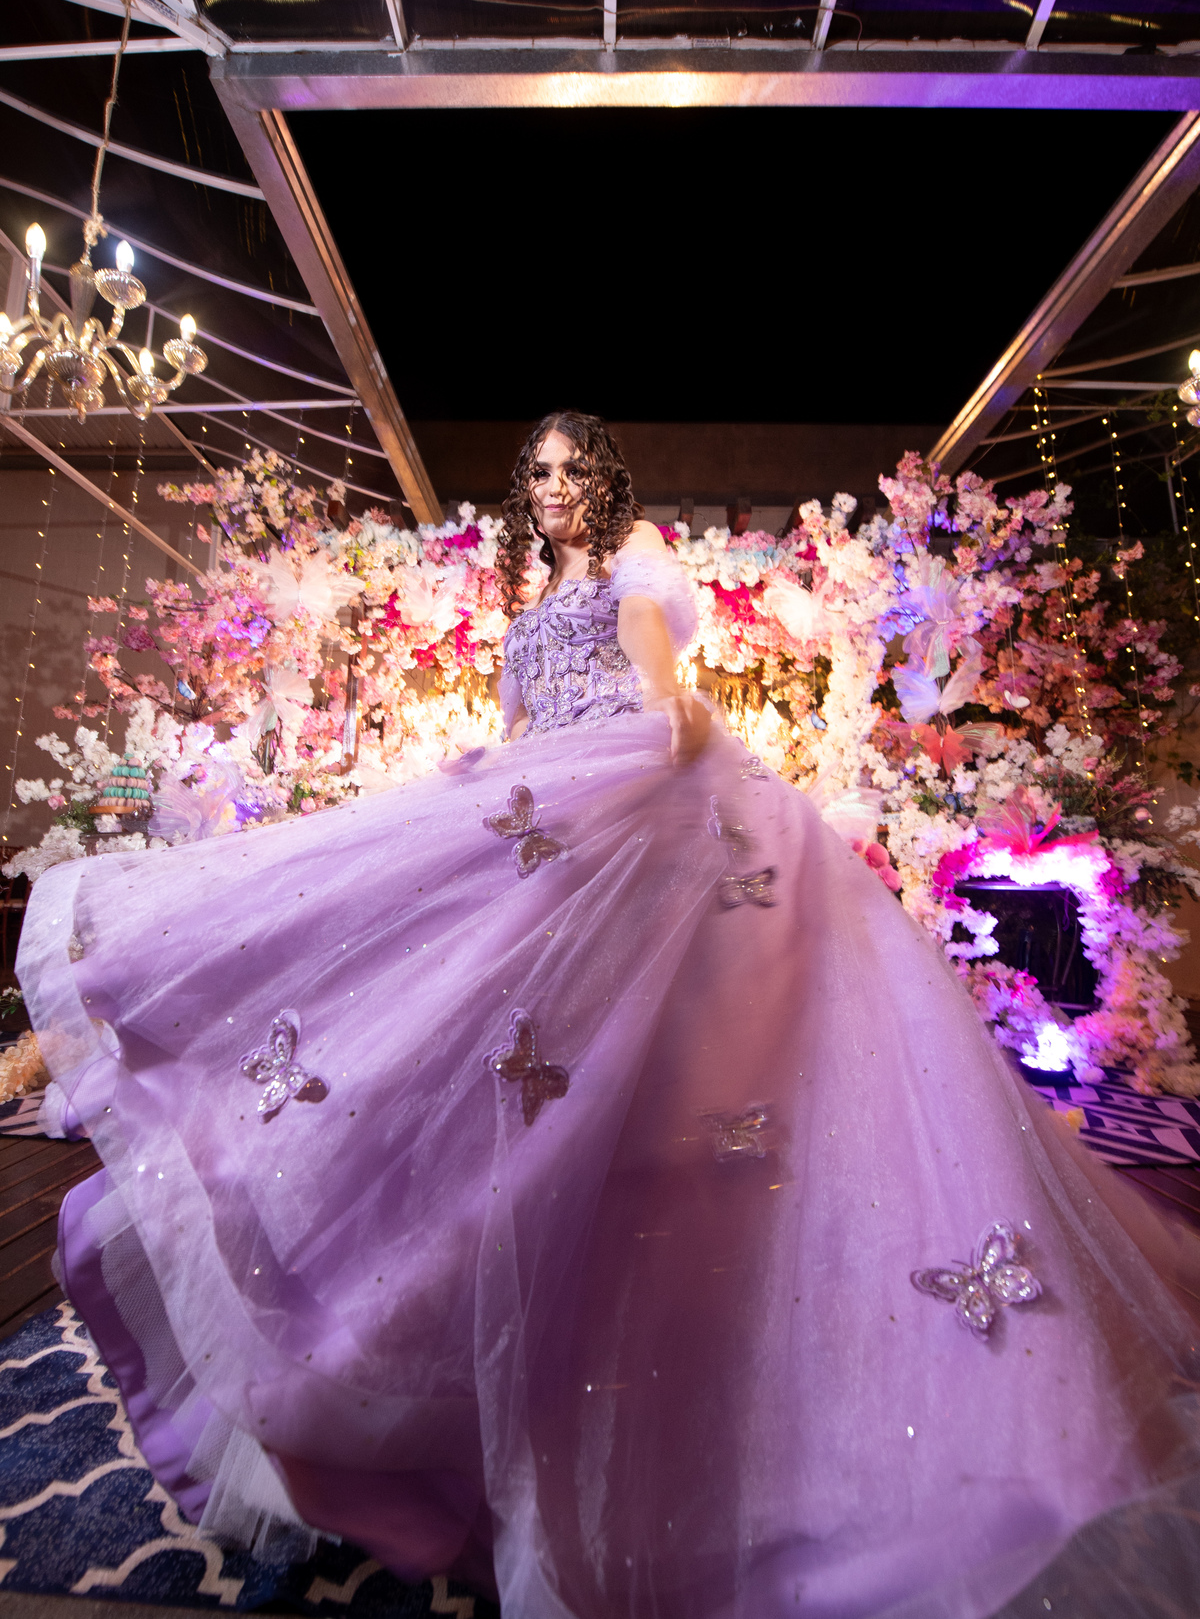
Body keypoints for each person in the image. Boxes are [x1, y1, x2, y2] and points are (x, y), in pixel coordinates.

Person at [17, 410, 1200, 1618]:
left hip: (648, 799)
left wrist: (669, 699)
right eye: (536, 471)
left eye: (572, 467)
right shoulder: (533, 597)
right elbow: (520, 729)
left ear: (605, 479)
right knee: (492, 1059)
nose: (553, 486)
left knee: (681, 1080)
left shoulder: (635, 554)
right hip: (551, 822)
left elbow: (646, 636)